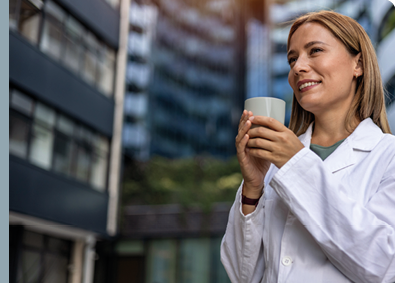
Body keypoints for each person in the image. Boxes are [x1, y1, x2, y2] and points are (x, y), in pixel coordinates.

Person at [221, 10, 395, 283]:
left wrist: (296, 164)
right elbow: (240, 274)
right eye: (292, 58)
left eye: (314, 50)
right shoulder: (275, 162)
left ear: (357, 64)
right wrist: (252, 190)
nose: (297, 67)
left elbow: (385, 264)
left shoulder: (388, 156)